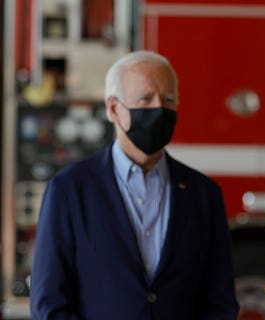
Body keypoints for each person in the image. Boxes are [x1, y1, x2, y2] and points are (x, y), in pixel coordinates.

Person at [30, 51, 239, 320]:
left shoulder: (203, 194)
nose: (158, 109)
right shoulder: (70, 190)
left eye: (168, 99)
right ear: (114, 108)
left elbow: (220, 301)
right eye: (145, 99)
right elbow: (49, 303)